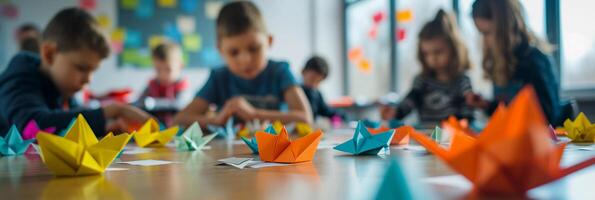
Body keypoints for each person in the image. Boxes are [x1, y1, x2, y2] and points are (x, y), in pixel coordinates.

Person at [0, 8, 151, 136]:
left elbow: (72, 123)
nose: (88, 80)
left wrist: (108, 128)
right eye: (82, 68)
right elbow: (31, 128)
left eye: (93, 71)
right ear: (49, 54)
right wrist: (113, 110)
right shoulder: (19, 76)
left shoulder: (62, 87)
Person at [174, 1, 312, 127]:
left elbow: (305, 118)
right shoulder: (219, 78)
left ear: (269, 41)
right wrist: (216, 120)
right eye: (234, 52)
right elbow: (179, 120)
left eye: (254, 48)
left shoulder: (280, 71)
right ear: (220, 50)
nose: (245, 59)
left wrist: (254, 114)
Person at [465, 0, 560, 125]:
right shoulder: (501, 63)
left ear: (505, 28)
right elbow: (507, 108)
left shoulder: (535, 60)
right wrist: (487, 105)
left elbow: (546, 116)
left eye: (487, 33)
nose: (485, 41)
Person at [380, 10, 474, 125]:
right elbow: (409, 102)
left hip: (453, 139)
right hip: (425, 138)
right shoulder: (422, 81)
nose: (432, 59)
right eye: (426, 54)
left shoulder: (462, 82)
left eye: (438, 52)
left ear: (454, 50)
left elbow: (468, 115)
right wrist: (395, 112)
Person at [137, 41, 188, 125]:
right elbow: (140, 103)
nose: (163, 75)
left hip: (177, 130)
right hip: (155, 129)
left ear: (181, 66)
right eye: (158, 69)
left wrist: (153, 103)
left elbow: (180, 104)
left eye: (168, 69)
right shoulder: (152, 84)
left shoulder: (182, 85)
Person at [300, 56, 345, 120]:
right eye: (312, 78)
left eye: (318, 81)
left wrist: (342, 116)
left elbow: (327, 111)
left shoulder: (316, 94)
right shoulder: (294, 92)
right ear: (303, 72)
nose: (314, 84)